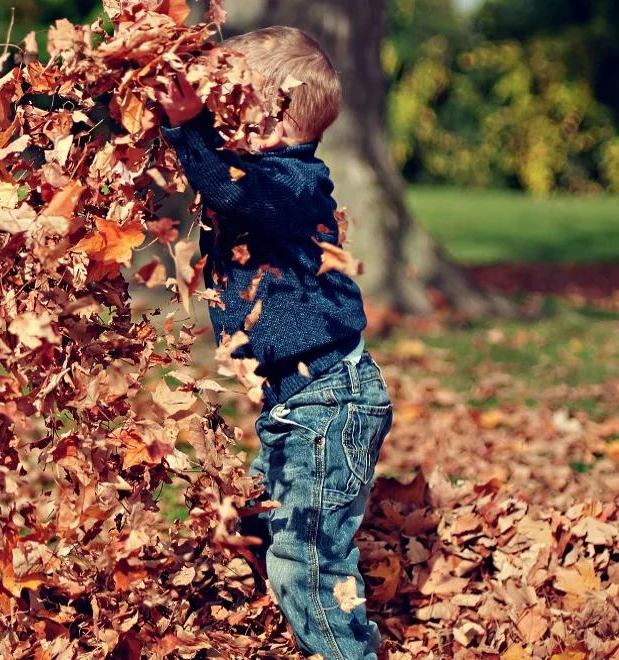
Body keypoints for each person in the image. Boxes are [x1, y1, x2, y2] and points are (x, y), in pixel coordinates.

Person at [156, 26, 394, 660]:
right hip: (300, 404)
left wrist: (186, 130)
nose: (215, 117)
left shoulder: (290, 184)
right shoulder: (266, 180)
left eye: (227, 104)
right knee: (263, 520)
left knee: (308, 565)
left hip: (328, 403)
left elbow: (230, 187)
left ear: (269, 119)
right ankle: (283, 630)